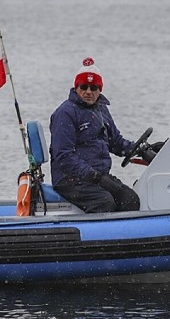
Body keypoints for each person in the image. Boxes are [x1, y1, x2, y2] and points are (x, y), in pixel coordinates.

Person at [49, 57, 141, 213]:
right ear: (76, 88)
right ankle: (96, 235)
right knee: (105, 202)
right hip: (70, 179)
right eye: (84, 87)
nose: (88, 92)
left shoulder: (101, 110)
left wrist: (141, 148)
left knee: (129, 199)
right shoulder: (65, 113)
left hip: (97, 177)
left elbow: (116, 143)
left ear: (100, 90)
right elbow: (63, 156)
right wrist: (96, 177)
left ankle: (123, 234)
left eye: (93, 88)